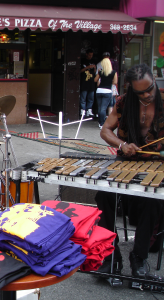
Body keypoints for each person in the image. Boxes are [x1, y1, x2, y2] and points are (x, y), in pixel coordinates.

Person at [95, 63, 164, 279]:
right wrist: (121, 144)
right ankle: (111, 256)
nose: (147, 95)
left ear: (154, 82)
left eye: (150, 89)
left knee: (152, 199)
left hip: (156, 163)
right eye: (141, 92)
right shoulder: (123, 103)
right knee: (103, 194)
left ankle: (139, 256)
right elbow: (105, 130)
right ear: (132, 89)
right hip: (126, 160)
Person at [94, 57, 117, 129]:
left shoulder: (101, 72)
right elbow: (115, 82)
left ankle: (100, 123)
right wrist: (110, 81)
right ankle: (102, 123)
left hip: (99, 90)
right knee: (103, 108)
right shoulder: (114, 72)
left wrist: (98, 74)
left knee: (100, 108)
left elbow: (95, 80)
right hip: (107, 91)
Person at [80, 49, 96, 117]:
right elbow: (80, 71)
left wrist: (94, 68)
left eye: (91, 55)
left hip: (91, 82)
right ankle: (83, 110)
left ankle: (89, 110)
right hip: (84, 82)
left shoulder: (93, 61)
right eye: (89, 55)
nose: (90, 56)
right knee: (83, 97)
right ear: (86, 54)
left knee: (91, 98)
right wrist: (87, 67)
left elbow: (95, 73)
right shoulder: (82, 61)